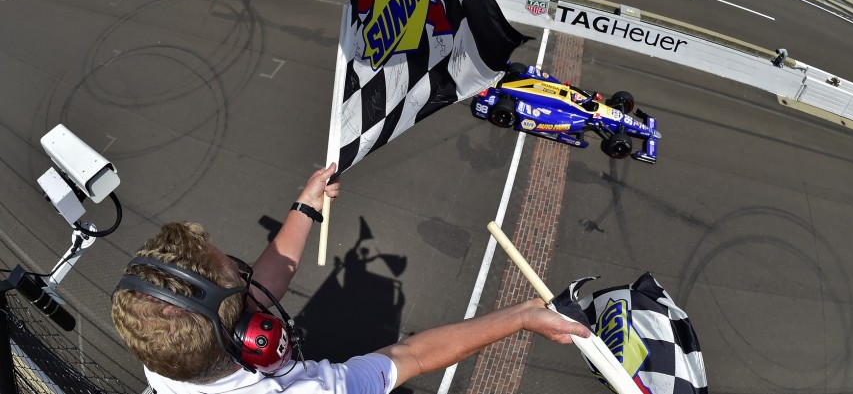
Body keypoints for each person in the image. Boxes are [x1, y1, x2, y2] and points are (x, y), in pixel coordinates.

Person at [111, 163, 589, 393]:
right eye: (236, 271)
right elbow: (410, 355)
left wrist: (305, 206)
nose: (246, 269)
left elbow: (256, 290)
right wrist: (523, 316)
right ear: (255, 336)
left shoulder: (163, 353)